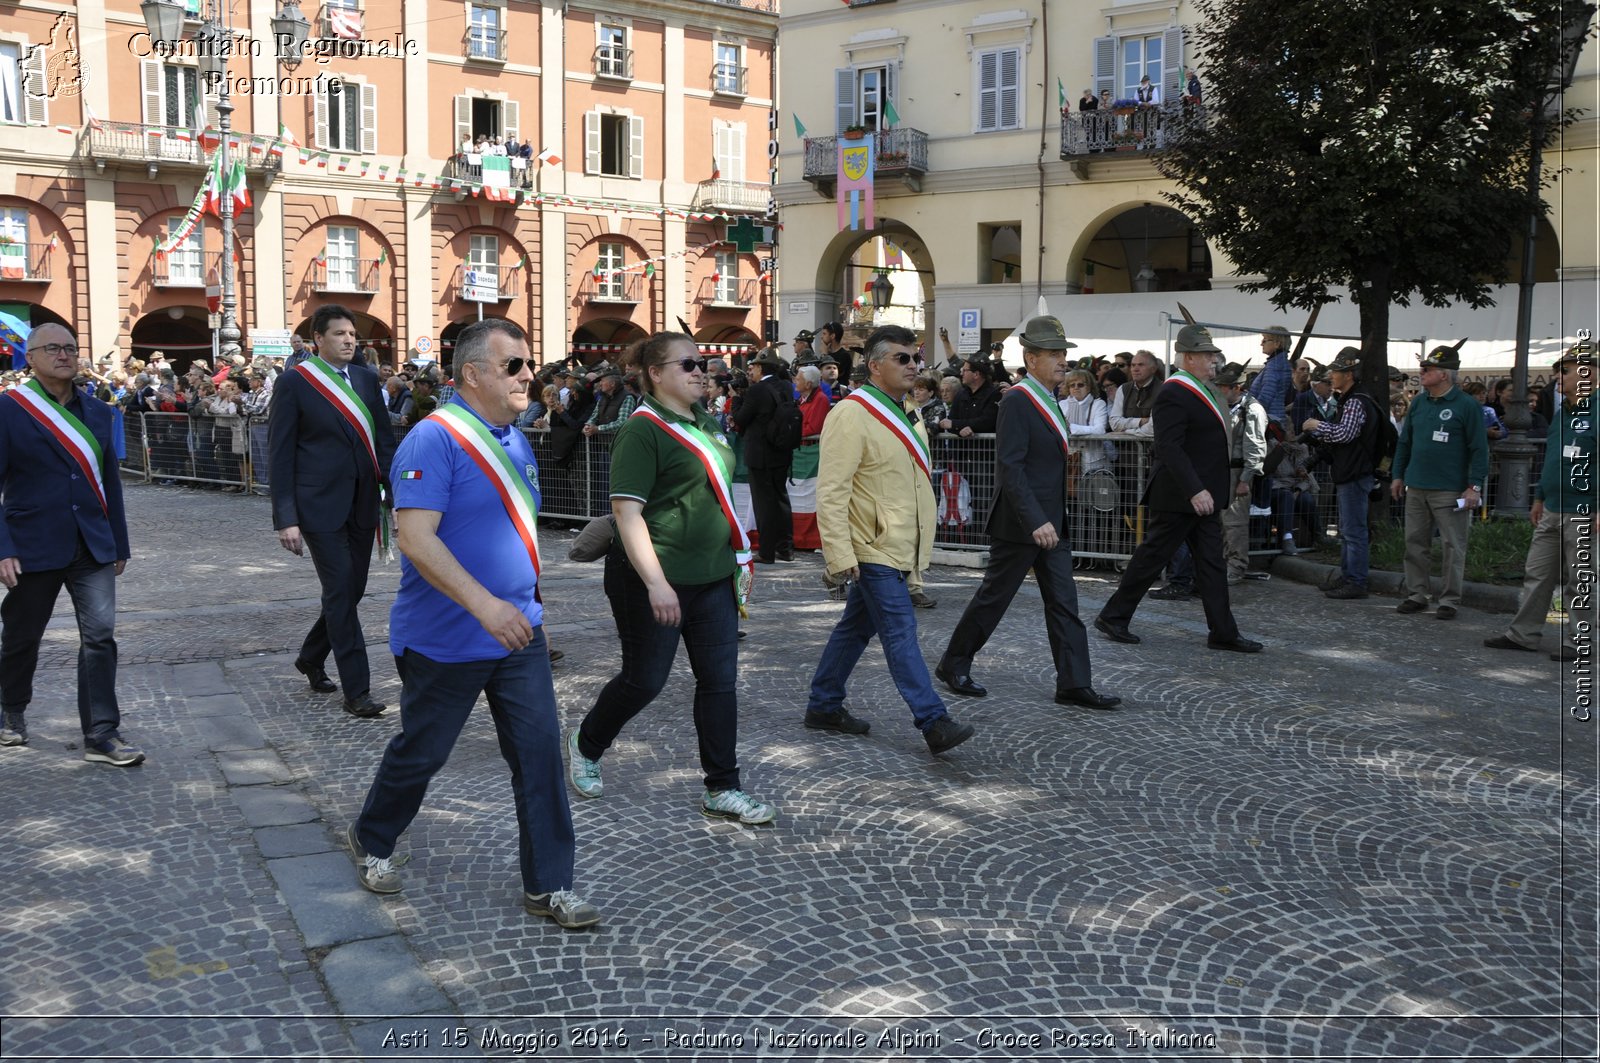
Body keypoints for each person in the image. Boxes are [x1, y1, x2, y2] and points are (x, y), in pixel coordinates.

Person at [347, 318, 599, 929]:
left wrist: (519, 605)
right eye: (514, 365)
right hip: (446, 637)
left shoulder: (513, 437)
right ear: (472, 374)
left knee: (539, 758)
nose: (529, 375)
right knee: (424, 752)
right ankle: (374, 836)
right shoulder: (434, 440)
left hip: (518, 634)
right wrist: (485, 604)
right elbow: (415, 539)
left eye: (528, 363)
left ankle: (549, 885)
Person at [566, 333, 775, 825]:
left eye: (702, 363)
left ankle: (723, 787)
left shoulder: (707, 422)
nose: (701, 371)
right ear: (655, 374)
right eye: (688, 364)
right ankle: (586, 742)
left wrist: (738, 560)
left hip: (712, 577)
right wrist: (658, 584)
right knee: (645, 680)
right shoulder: (643, 430)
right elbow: (627, 512)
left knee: (720, 683)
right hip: (651, 577)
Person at [804, 325, 976, 756]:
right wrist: (839, 554)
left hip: (897, 541)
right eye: (903, 358)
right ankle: (933, 720)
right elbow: (832, 490)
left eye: (916, 358)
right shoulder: (850, 413)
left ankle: (824, 703)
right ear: (875, 365)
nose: (914, 365)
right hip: (871, 546)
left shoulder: (908, 411)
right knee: (900, 630)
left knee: (855, 629)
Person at [935, 316, 1120, 711]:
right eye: (1053, 353)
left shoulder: (1049, 397)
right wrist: (1036, 519)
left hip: (1051, 520)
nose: (1062, 360)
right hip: (1023, 522)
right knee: (994, 598)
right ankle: (954, 663)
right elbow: (1011, 467)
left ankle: (1073, 682)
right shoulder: (1019, 400)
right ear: (1030, 358)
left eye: (1063, 353)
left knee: (1064, 603)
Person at [0, 325, 142, 764]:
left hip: (92, 544)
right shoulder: (9, 410)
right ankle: (10, 711)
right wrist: (3, 547)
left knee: (100, 637)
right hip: (30, 544)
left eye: (70, 348)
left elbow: (110, 484)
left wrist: (119, 542)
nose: (64, 355)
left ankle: (102, 733)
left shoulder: (99, 412)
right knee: (22, 637)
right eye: (53, 348)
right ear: (31, 357)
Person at [1094, 325, 1262, 653]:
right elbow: (1169, 446)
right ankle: (1113, 616)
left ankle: (1223, 631)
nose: (1214, 360)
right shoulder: (1174, 391)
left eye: (1214, 354)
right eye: (1207, 355)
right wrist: (1194, 490)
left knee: (1211, 563)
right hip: (1180, 494)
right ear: (1188, 358)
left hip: (1203, 496)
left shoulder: (1202, 389)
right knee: (1151, 557)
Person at [268, 304, 397, 717]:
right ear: (317, 340)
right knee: (341, 589)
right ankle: (356, 690)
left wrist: (394, 496)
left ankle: (310, 656)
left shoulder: (364, 377)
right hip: (318, 507)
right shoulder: (295, 382)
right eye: (340, 334)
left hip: (362, 503)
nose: (348, 341)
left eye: (353, 335)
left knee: (351, 590)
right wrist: (285, 517)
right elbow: (280, 452)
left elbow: (384, 440)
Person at [1484, 346, 1596, 662]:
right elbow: (1552, 460)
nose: (1557, 376)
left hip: (1585, 509)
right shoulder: (1563, 413)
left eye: (1565, 370)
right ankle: (1523, 634)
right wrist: (1539, 497)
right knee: (1537, 573)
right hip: (1552, 507)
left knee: (1581, 578)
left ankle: (1579, 642)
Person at [1390, 342, 1488, 621]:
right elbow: (1404, 443)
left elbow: (1479, 449)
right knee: (1414, 542)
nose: (1421, 372)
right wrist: (1398, 475)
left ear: (1444, 374)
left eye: (1427, 369)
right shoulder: (1419, 402)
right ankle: (1417, 594)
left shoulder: (1466, 405)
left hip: (1450, 488)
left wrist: (1474, 486)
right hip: (1417, 486)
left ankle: (1449, 599)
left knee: (1452, 545)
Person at [1303, 348, 1385, 599]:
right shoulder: (1352, 398)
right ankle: (1348, 576)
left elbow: (1345, 434)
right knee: (1348, 530)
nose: (1332, 376)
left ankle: (1356, 581)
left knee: (1354, 531)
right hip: (1352, 471)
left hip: (1355, 473)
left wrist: (1318, 426)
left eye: (1336, 371)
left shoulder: (1355, 401)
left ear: (1349, 375)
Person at [730, 348, 797, 564]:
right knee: (781, 499)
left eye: (753, 367)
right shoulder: (787, 385)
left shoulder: (758, 390)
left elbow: (741, 418)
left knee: (764, 503)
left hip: (760, 454)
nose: (751, 372)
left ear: (760, 367)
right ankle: (786, 548)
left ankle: (767, 552)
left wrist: (736, 399)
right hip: (782, 451)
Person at [1215, 363, 1268, 585]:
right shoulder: (1223, 406)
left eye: (1224, 387)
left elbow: (1255, 446)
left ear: (1237, 388)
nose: (1219, 390)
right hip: (1220, 470)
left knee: (1234, 523)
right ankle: (1222, 563)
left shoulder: (1252, 410)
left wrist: (1246, 478)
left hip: (1238, 472)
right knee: (1219, 521)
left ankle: (1236, 566)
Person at [1107, 349, 1162, 436]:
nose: (1135, 369)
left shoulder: (1163, 390)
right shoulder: (1123, 389)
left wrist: (1127, 432)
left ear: (1153, 369)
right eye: (1133, 365)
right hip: (1127, 448)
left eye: (1141, 365)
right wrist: (1141, 421)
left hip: (1154, 448)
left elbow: (1154, 427)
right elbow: (1114, 423)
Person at [1249, 326, 1293, 429]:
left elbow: (1266, 395)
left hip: (1269, 420)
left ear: (1277, 344)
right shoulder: (1279, 363)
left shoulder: (1275, 365)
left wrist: (1252, 413)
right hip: (1274, 417)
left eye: (1265, 340)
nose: (1261, 343)